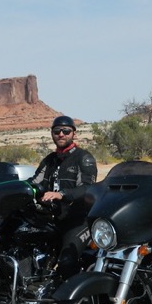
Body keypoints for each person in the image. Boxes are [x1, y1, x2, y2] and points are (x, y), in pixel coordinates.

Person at [29, 115, 97, 280]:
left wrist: (62, 194)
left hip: (77, 221)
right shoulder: (49, 160)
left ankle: (70, 303)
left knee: (67, 261)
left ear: (74, 133)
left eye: (66, 131)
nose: (61, 134)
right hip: (51, 219)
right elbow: (34, 182)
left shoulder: (83, 158)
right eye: (57, 131)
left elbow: (87, 187)